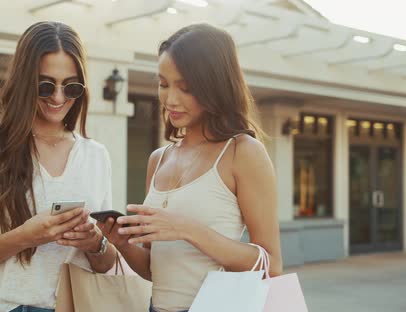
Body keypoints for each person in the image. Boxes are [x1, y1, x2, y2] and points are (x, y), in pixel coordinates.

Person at [98, 23, 283, 312]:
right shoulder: (158, 159)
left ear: (214, 86)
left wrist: (188, 229)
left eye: (185, 87)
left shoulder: (242, 152)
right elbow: (152, 269)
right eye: (163, 84)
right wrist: (121, 243)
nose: (171, 99)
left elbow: (271, 265)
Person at [0, 21, 117, 312]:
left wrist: (96, 242)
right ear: (24, 80)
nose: (59, 97)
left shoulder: (96, 155)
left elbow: (106, 263)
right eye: (45, 85)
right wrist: (26, 237)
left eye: (71, 86)